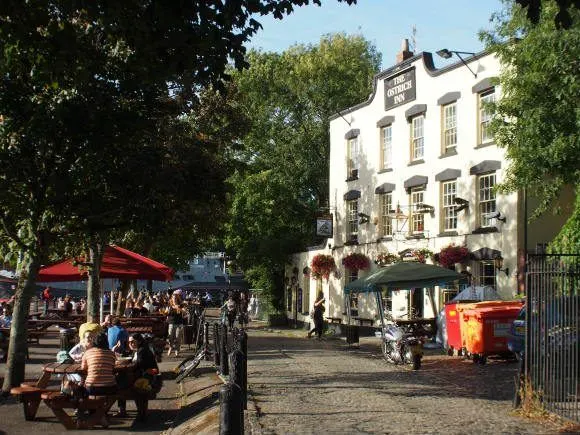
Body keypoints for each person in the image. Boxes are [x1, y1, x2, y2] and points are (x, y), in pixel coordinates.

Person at [116, 333, 159, 417]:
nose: (130, 344)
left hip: (147, 378)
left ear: (139, 341)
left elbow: (138, 365)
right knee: (120, 380)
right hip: (141, 376)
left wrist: (125, 366)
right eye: (129, 342)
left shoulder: (142, 351)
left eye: (132, 342)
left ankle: (121, 410)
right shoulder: (138, 350)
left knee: (119, 383)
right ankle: (123, 410)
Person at [80, 333, 117, 427]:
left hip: (91, 386)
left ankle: (98, 416)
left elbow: (83, 368)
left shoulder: (87, 353)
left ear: (94, 342)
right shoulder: (111, 354)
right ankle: (101, 415)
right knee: (116, 392)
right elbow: (112, 368)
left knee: (87, 396)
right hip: (109, 387)